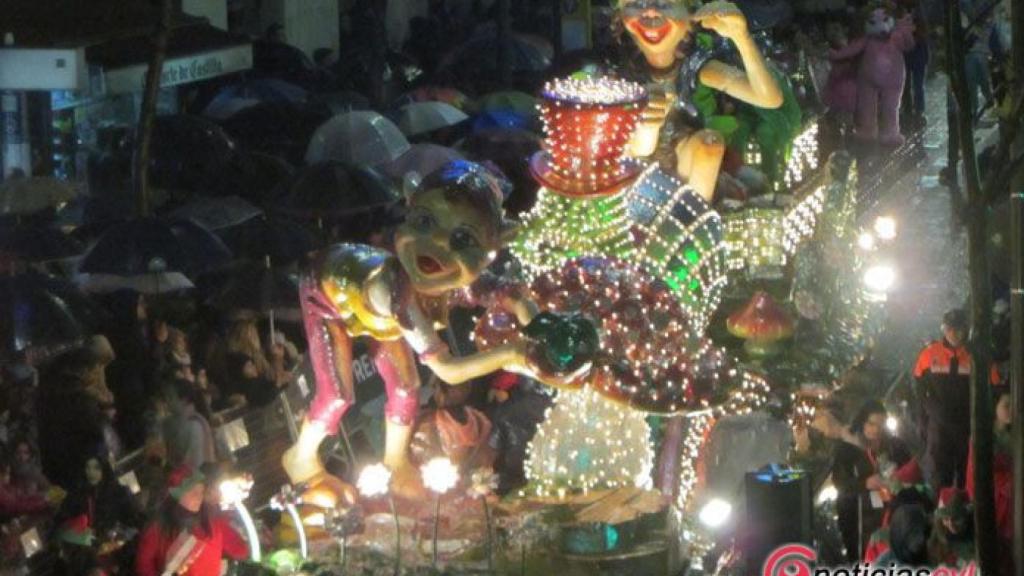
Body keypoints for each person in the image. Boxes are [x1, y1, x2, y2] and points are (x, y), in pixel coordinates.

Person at [913, 309, 999, 493]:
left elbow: (994, 387)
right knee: (939, 474)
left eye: (958, 329)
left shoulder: (978, 357)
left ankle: (963, 513)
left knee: (966, 473)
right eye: (949, 328)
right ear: (943, 329)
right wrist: (923, 423)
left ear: (966, 329)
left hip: (967, 425)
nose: (953, 333)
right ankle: (940, 512)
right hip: (939, 426)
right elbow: (920, 392)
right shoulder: (928, 355)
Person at [833, 400, 920, 562]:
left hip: (891, 510)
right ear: (862, 421)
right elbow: (840, 482)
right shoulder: (847, 448)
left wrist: (898, 479)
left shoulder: (894, 445)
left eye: (881, 425)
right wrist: (865, 483)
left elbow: (911, 469)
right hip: (858, 516)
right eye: (871, 424)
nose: (876, 430)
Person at [135, 466, 248, 576]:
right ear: (178, 496)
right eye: (193, 492)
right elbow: (143, 565)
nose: (199, 496)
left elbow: (241, 550)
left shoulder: (213, 522)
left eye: (201, 491)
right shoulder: (158, 529)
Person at [966, 387, 1014, 541]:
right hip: (992, 494)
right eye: (1007, 405)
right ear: (995, 406)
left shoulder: (1014, 434)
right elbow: (979, 473)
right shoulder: (982, 434)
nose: (1011, 410)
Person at [58, 454, 141, 537]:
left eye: (96, 468)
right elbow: (63, 521)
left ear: (104, 470)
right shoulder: (79, 494)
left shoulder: (120, 493)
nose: (91, 472)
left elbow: (135, 522)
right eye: (88, 467)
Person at [163, 380, 217, 472]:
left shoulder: (194, 425)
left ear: (184, 400)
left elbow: (194, 464)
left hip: (194, 479)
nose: (166, 401)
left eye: (170, 397)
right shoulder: (169, 424)